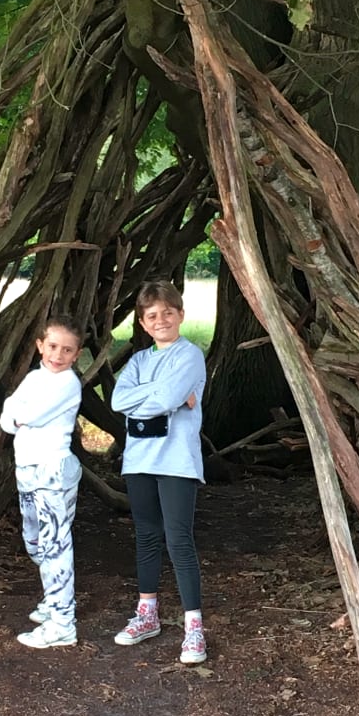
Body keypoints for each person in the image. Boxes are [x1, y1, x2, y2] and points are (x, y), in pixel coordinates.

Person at [110, 280, 207, 665]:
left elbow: (165, 398)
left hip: (177, 461)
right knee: (147, 536)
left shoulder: (190, 355)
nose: (161, 320)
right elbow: (118, 401)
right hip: (139, 460)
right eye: (152, 316)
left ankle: (194, 627)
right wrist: (165, 395)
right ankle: (147, 614)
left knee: (179, 539)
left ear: (180, 314)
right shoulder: (138, 361)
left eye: (168, 312)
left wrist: (159, 397)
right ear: (143, 323)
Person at [0, 315, 84, 649]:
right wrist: (17, 416)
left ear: (76, 355)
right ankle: (53, 599)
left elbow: (31, 414)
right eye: (52, 346)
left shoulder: (68, 383)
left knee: (55, 545)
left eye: (67, 350)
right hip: (27, 469)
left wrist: (20, 415)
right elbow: (8, 414)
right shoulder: (35, 378)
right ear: (40, 346)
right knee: (34, 541)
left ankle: (62, 622)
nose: (58, 355)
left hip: (53, 470)